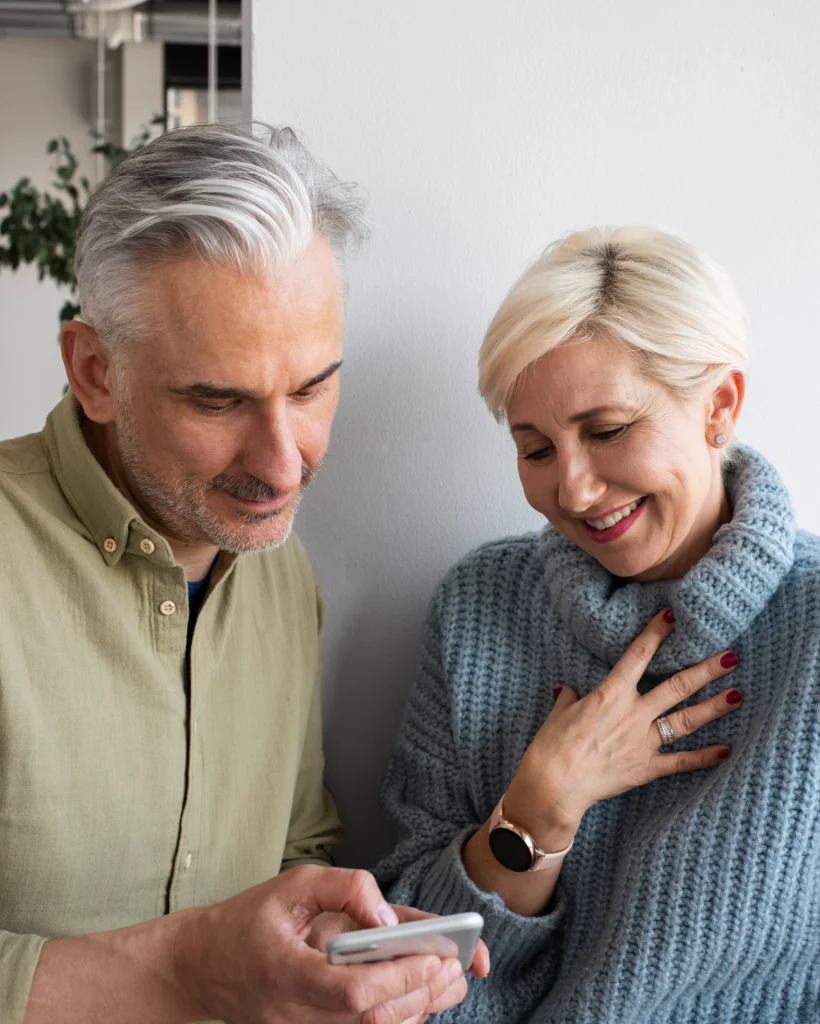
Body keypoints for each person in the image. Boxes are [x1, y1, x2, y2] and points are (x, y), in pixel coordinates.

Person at [0, 124, 486, 1024]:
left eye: (311, 389)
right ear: (95, 372)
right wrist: (184, 971)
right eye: (217, 400)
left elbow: (294, 847)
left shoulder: (280, 573)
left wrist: (333, 955)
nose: (283, 466)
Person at [375, 226, 820, 1023]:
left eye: (608, 430)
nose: (574, 491)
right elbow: (406, 969)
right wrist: (537, 811)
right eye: (535, 449)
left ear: (720, 405)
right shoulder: (479, 609)